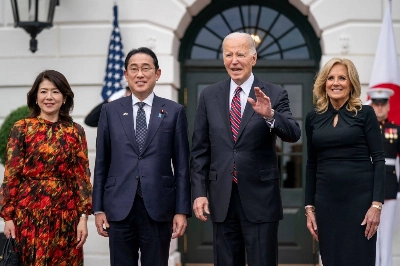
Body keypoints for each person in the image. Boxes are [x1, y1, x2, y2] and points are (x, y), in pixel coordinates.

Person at [191, 32, 301, 266]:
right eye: (229, 55)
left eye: (240, 54)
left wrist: (271, 115)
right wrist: (199, 192)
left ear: (254, 58)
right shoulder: (209, 95)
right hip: (222, 198)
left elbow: (293, 133)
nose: (234, 60)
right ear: (223, 59)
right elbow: (200, 150)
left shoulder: (274, 93)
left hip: (261, 199)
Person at [92, 47, 191, 266]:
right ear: (125, 75)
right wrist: (98, 208)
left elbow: (183, 166)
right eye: (134, 69)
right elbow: (102, 163)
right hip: (118, 207)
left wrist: (181, 210)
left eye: (146, 68)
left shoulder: (174, 111)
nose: (140, 74)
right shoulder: (110, 111)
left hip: (158, 207)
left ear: (157, 74)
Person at [0, 70, 92, 265]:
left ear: (65, 98)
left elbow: (82, 178)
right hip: (29, 216)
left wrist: (83, 217)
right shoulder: (22, 128)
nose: (49, 97)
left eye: (55, 91)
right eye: (43, 91)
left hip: (66, 216)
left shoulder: (76, 132)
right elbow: (11, 175)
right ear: (35, 97)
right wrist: (8, 217)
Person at [305, 58, 385, 266]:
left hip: (360, 203)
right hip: (326, 203)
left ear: (352, 83)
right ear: (324, 83)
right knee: (332, 260)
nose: (336, 83)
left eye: (342, 78)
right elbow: (311, 164)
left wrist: (376, 205)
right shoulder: (313, 118)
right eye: (330, 78)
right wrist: (309, 208)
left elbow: (378, 160)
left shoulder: (366, 114)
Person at [367, 88, 400, 266]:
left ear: (388, 106)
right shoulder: (365, 128)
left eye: (382, 104)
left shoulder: (395, 129)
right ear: (371, 105)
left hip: (389, 187)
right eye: (376, 104)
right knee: (370, 232)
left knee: (385, 233)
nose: (379, 108)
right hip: (368, 185)